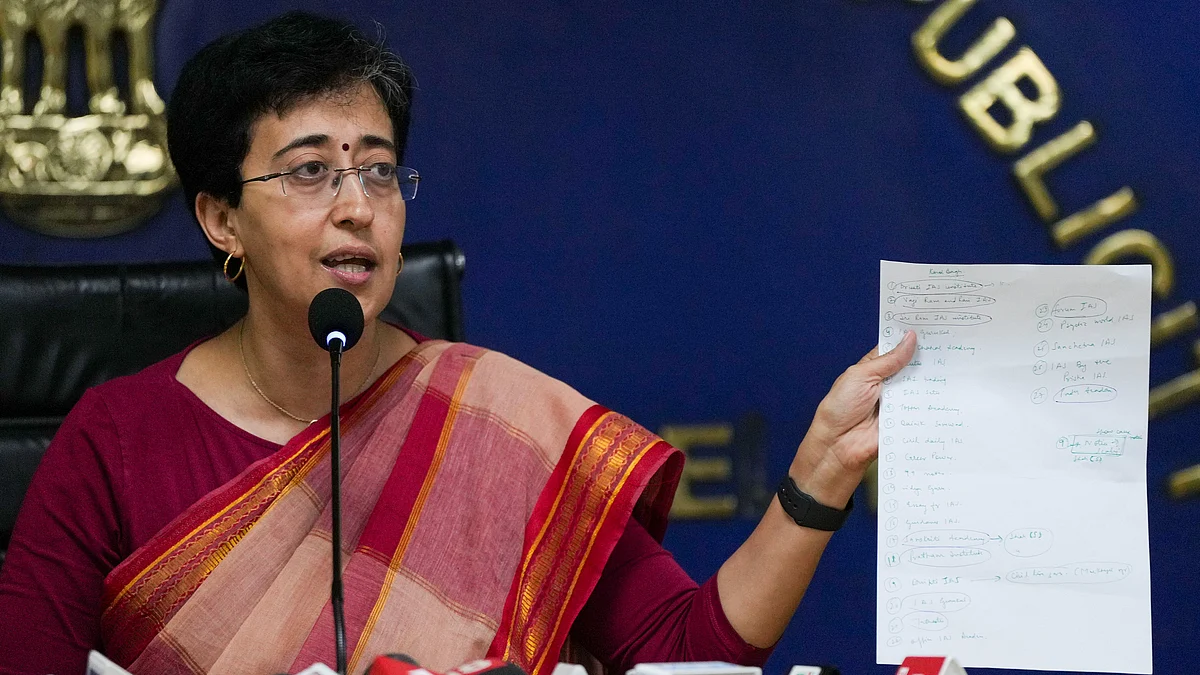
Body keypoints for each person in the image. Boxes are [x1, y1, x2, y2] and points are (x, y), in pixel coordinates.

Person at [0, 11, 916, 675]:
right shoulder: (115, 438)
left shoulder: (492, 415)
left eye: (379, 169)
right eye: (312, 171)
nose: (358, 204)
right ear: (220, 218)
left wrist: (817, 480)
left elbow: (685, 655)